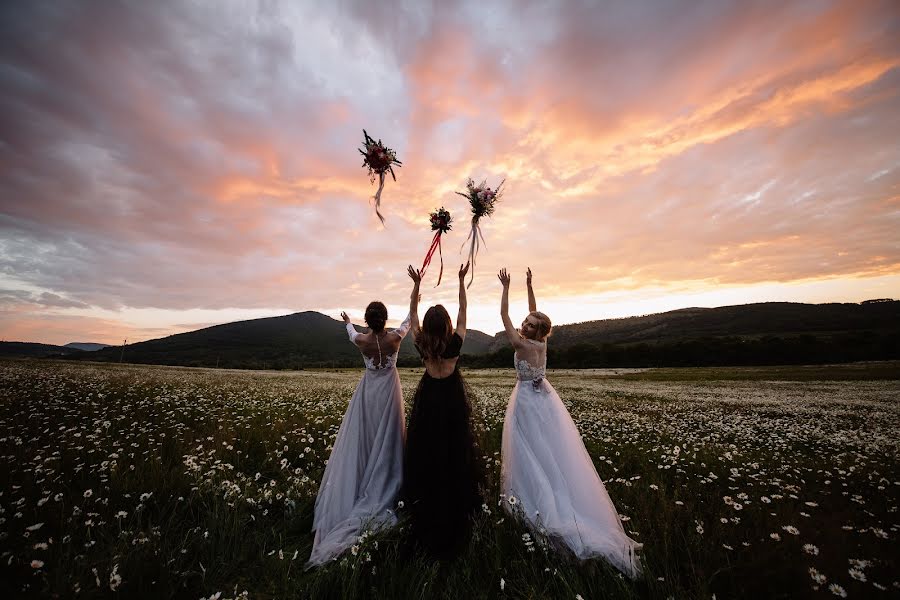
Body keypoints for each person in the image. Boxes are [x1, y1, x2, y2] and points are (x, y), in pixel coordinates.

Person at [498, 267, 642, 578]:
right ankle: (549, 490)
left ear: (536, 332)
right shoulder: (542, 343)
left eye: (529, 324)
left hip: (526, 401)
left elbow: (504, 317)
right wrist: (530, 284)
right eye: (526, 322)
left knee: (529, 451)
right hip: (545, 402)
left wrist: (506, 288)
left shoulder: (522, 345)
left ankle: (538, 503)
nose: (523, 324)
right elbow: (534, 313)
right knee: (548, 452)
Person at [307, 301, 410, 567]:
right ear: (385, 319)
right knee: (389, 438)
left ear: (368, 320)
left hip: (369, 394)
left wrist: (347, 321)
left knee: (366, 438)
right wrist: (416, 289)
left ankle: (364, 481)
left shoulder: (362, 341)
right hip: (389, 393)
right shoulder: (396, 339)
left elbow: (351, 334)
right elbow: (410, 319)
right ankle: (387, 479)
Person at [402, 261, 484, 559]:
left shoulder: (422, 343)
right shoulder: (455, 345)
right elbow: (464, 311)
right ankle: (453, 499)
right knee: (454, 449)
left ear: (428, 325)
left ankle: (427, 496)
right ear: (447, 325)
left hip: (429, 399)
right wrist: (461, 281)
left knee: (426, 449)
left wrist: (416, 285)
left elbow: (412, 316)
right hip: (451, 399)